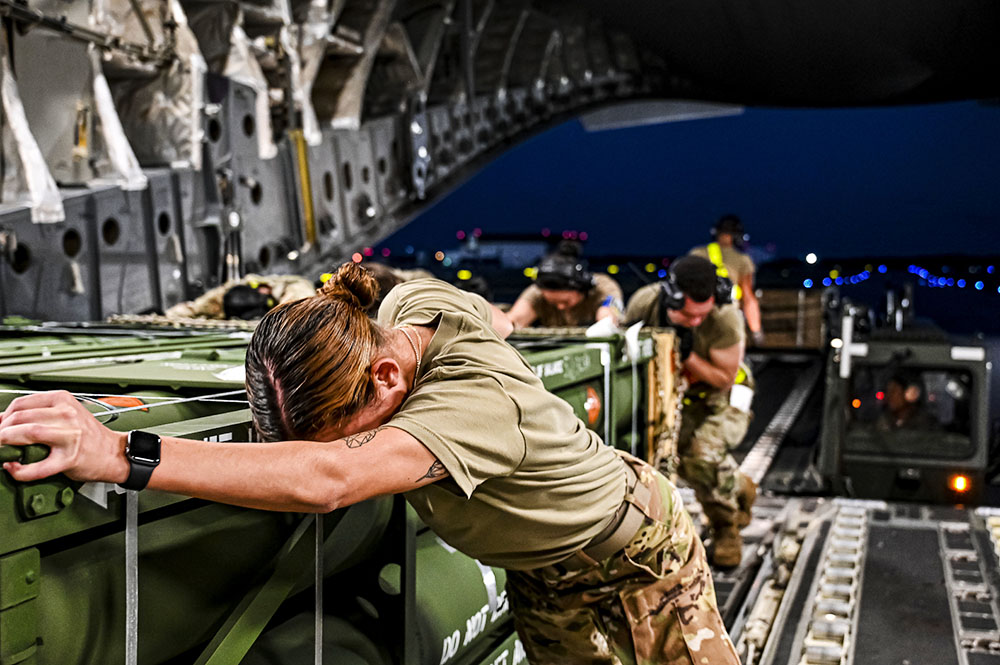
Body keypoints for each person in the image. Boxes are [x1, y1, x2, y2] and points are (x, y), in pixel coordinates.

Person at [1, 263, 740, 664]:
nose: (328, 447)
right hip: (542, 575)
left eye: (335, 430)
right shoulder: (411, 309)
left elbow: (329, 479)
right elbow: (424, 290)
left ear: (385, 380)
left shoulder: (471, 405)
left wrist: (116, 449)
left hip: (635, 562)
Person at [625, 256, 757, 568]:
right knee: (662, 456)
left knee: (700, 456)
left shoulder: (725, 317)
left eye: (702, 315)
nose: (696, 321)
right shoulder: (646, 303)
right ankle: (738, 485)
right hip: (669, 393)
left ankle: (726, 527)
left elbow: (723, 377)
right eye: (688, 315)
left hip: (720, 398)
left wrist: (681, 353)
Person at [507, 240, 623, 329]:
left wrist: (606, 318)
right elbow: (514, 320)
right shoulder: (537, 292)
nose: (560, 307)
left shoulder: (601, 287)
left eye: (565, 302)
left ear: (582, 290)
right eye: (553, 303)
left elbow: (610, 314)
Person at [689, 215, 764, 346]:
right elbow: (748, 298)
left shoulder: (697, 253)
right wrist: (756, 331)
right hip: (727, 321)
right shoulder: (742, 260)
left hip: (696, 319)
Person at [165, 274, 315, 320]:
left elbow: (298, 318)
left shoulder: (298, 291)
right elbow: (195, 308)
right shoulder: (228, 295)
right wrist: (167, 317)